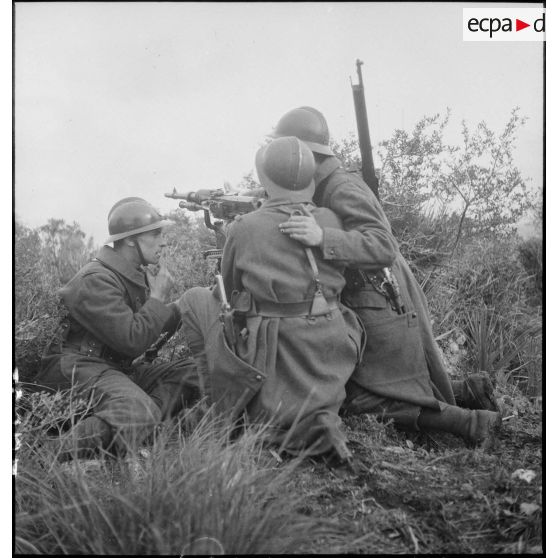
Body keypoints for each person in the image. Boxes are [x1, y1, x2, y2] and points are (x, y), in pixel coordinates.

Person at [272, 107, 500, 445]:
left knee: (358, 400)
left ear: (307, 156)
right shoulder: (329, 185)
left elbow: (382, 244)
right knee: (394, 384)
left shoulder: (340, 187)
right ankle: (469, 391)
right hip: (377, 299)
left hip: (381, 305)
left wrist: (322, 237)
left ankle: (471, 423)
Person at [176, 137, 364, 460]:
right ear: (310, 179)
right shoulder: (331, 221)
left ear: (264, 180)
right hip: (331, 349)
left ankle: (216, 415)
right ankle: (318, 421)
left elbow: (232, 293)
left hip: (278, 350)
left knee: (195, 299)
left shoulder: (244, 227)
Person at [35, 197, 200, 460]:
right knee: (138, 409)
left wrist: (185, 305)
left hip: (112, 368)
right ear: (131, 239)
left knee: (197, 371)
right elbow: (132, 340)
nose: (164, 241)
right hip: (78, 367)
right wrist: (157, 299)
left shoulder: (127, 273)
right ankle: (45, 455)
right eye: (156, 234)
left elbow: (142, 325)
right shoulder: (96, 279)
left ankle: (142, 425)